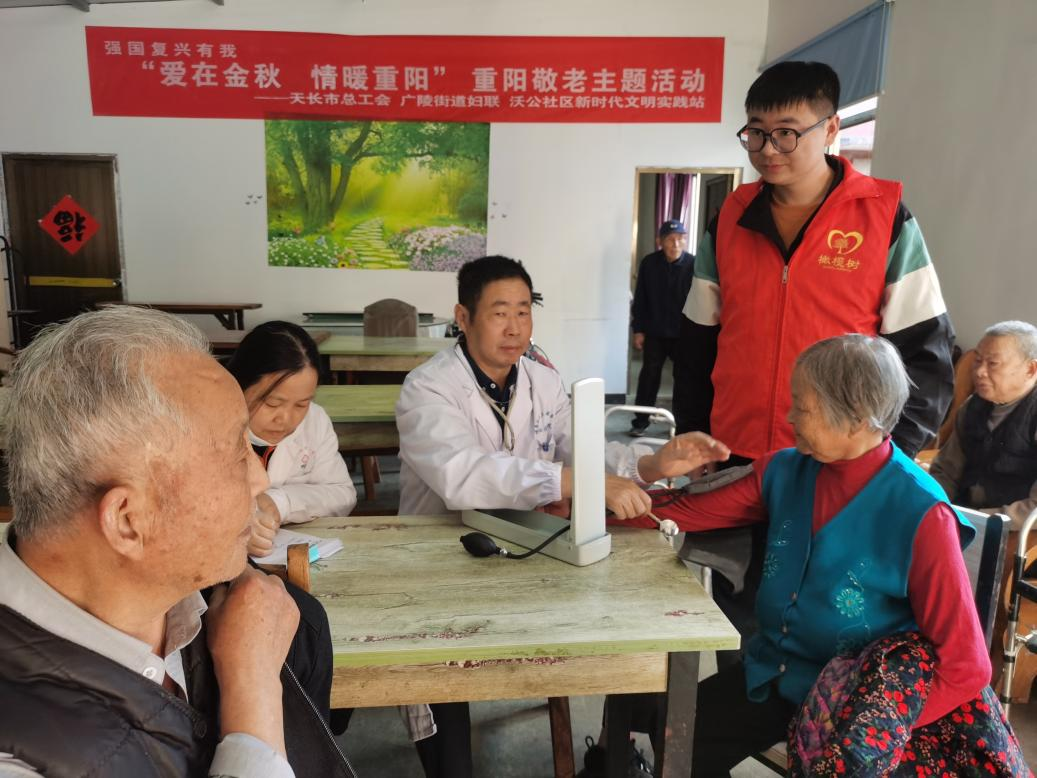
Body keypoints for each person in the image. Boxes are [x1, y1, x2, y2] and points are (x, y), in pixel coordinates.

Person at [619, 335, 1027, 776]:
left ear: (857, 419)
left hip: (856, 704)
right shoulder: (785, 469)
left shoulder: (921, 512)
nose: (790, 417)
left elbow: (967, 667)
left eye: (803, 407)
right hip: (774, 677)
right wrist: (597, 497)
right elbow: (676, 512)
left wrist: (874, 732)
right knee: (676, 739)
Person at [395, 255, 728, 777]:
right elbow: (461, 475)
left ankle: (617, 750)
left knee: (633, 623)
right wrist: (572, 482)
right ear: (463, 317)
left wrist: (650, 464)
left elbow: (583, 451)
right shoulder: (428, 387)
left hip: (526, 546)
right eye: (499, 313)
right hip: (442, 553)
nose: (514, 328)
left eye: (524, 312)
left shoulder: (543, 382)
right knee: (439, 675)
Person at [0, 307, 354, 777]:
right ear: (129, 520)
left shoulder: (258, 609)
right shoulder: (21, 753)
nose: (260, 479)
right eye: (236, 454)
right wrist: (253, 686)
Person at [673, 61, 954, 463]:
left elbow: (926, 357)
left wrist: (890, 458)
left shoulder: (884, 218)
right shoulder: (730, 219)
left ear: (831, 129)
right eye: (757, 132)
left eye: (786, 133)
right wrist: (694, 435)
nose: (768, 149)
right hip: (734, 450)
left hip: (837, 459)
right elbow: (697, 343)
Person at [225, 320, 357, 559]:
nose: (285, 419)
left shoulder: (314, 421)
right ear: (239, 384)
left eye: (301, 404)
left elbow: (342, 494)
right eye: (272, 403)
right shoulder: (206, 425)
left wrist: (280, 502)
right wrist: (233, 525)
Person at [930, 320, 1037, 530]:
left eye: (993, 363)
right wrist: (936, 506)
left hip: (1016, 531)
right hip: (962, 517)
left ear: (1030, 369)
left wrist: (978, 520)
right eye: (978, 361)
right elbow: (946, 471)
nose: (979, 371)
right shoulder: (972, 407)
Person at [628, 219, 695, 437]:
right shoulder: (649, 264)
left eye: (680, 239)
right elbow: (641, 299)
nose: (676, 244)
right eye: (670, 239)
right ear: (660, 241)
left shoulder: (693, 265)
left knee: (684, 381)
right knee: (649, 377)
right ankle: (640, 421)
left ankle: (681, 425)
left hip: (683, 335)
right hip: (655, 332)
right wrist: (638, 330)